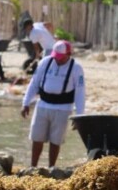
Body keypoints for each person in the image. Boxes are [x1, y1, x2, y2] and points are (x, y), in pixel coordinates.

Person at [21, 40, 85, 168]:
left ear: (69, 54)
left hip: (63, 109)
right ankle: (33, 167)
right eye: (56, 56)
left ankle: (51, 168)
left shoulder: (76, 68)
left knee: (56, 141)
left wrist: (79, 116)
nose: (57, 60)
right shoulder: (45, 62)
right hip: (43, 105)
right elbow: (34, 83)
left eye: (61, 57)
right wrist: (26, 102)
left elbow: (80, 93)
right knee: (36, 138)